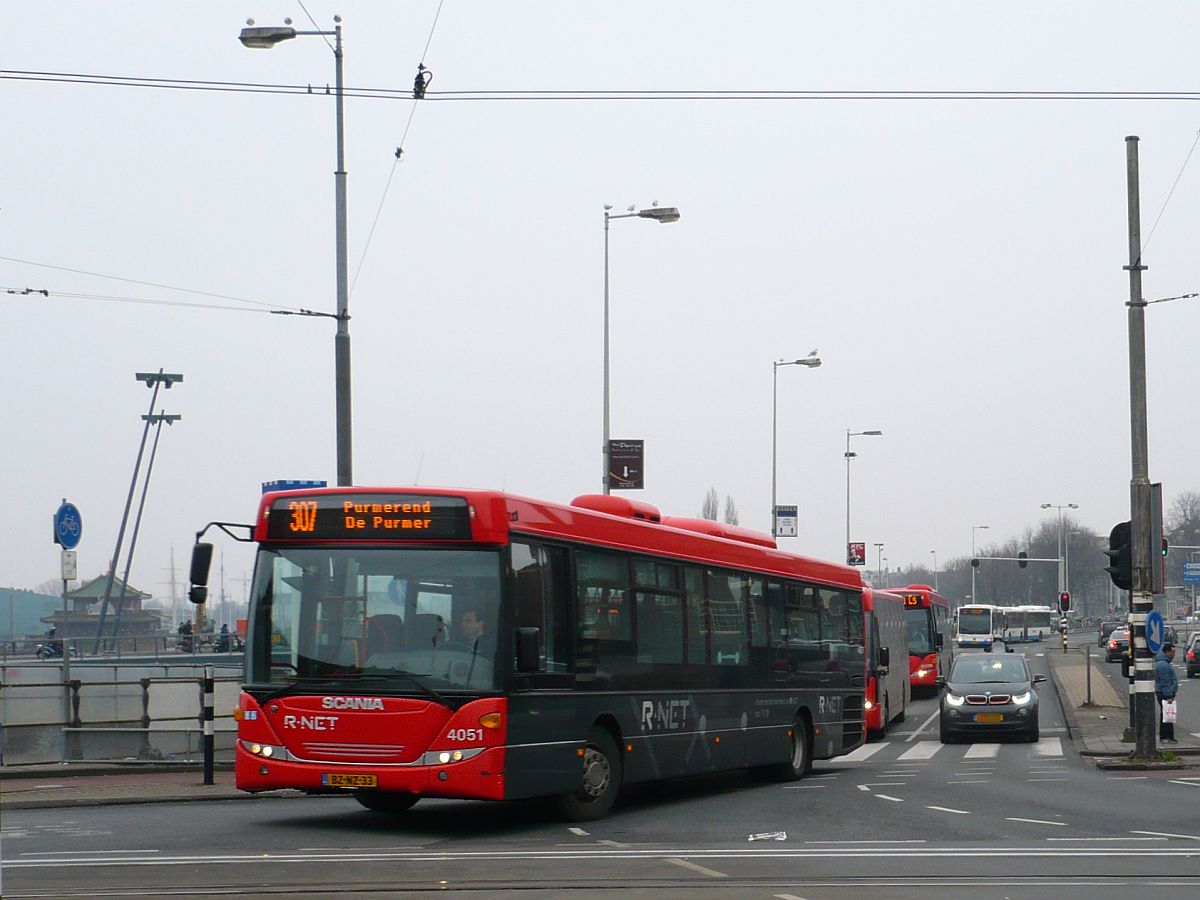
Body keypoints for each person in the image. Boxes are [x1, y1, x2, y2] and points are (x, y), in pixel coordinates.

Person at [1155, 641, 1179, 743]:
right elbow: (1165, 681)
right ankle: (1165, 736)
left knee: (1168, 714)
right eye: (1172, 652)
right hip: (1164, 693)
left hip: (1165, 692)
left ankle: (1169, 736)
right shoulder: (1163, 665)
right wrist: (1169, 695)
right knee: (1166, 714)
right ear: (1167, 652)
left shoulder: (1164, 663)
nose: (1174, 654)